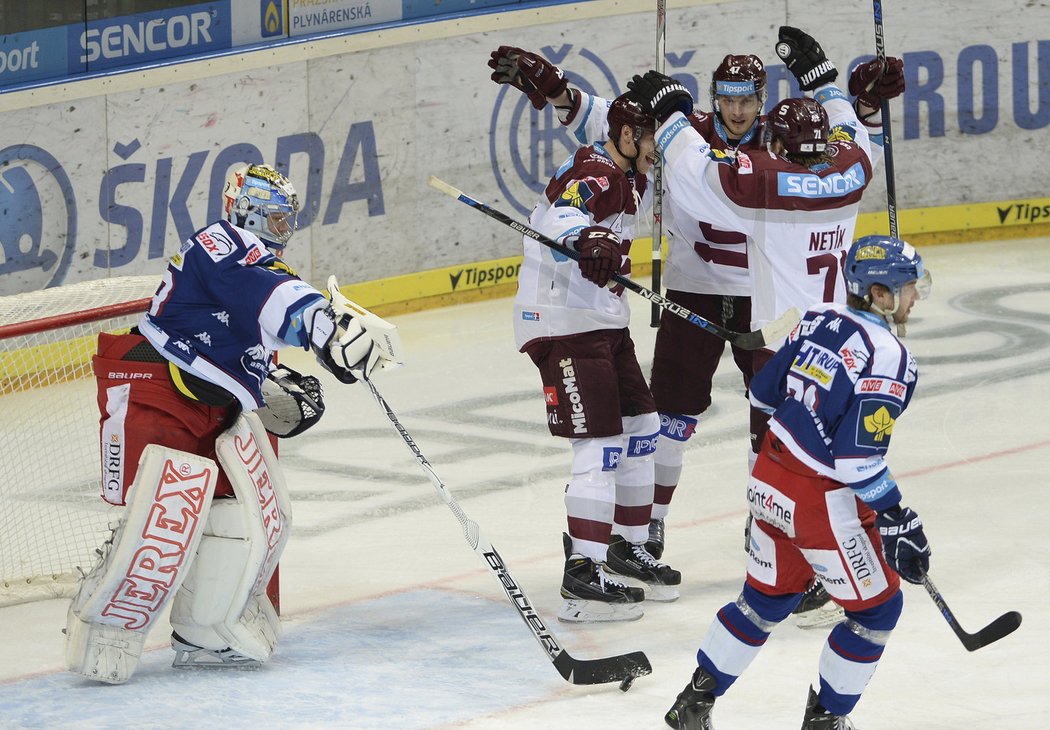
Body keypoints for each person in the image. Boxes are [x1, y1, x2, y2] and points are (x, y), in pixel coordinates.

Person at [65, 163, 399, 684]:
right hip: (161, 385)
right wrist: (322, 325)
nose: (285, 231)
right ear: (247, 211)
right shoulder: (219, 242)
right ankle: (104, 628)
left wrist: (279, 373)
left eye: (289, 221)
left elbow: (258, 323)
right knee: (163, 522)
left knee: (239, 519)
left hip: (212, 403)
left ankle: (206, 631)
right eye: (277, 219)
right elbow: (267, 293)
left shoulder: (264, 264)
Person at [627, 25, 906, 626]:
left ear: (773, 139)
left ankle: (793, 566)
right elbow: (855, 131)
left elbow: (695, 172)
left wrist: (673, 110)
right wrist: (824, 79)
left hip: (789, 342)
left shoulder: (761, 184)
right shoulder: (851, 169)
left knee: (791, 457)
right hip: (844, 337)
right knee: (835, 452)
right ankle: (848, 562)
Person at [662, 235, 933, 729]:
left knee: (765, 599)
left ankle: (692, 704)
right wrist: (896, 515)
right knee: (877, 612)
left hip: (768, 477)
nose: (916, 296)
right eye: (909, 287)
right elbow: (856, 459)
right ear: (878, 292)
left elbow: (763, 393)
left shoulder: (817, 317)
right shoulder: (890, 356)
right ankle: (826, 721)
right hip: (819, 502)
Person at [512, 91, 681, 623]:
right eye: (653, 138)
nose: (660, 149)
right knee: (601, 445)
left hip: (602, 322)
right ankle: (582, 573)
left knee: (644, 425)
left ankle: (624, 550)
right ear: (629, 137)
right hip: (563, 324)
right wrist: (585, 236)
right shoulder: (599, 172)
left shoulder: (629, 169)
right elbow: (563, 211)